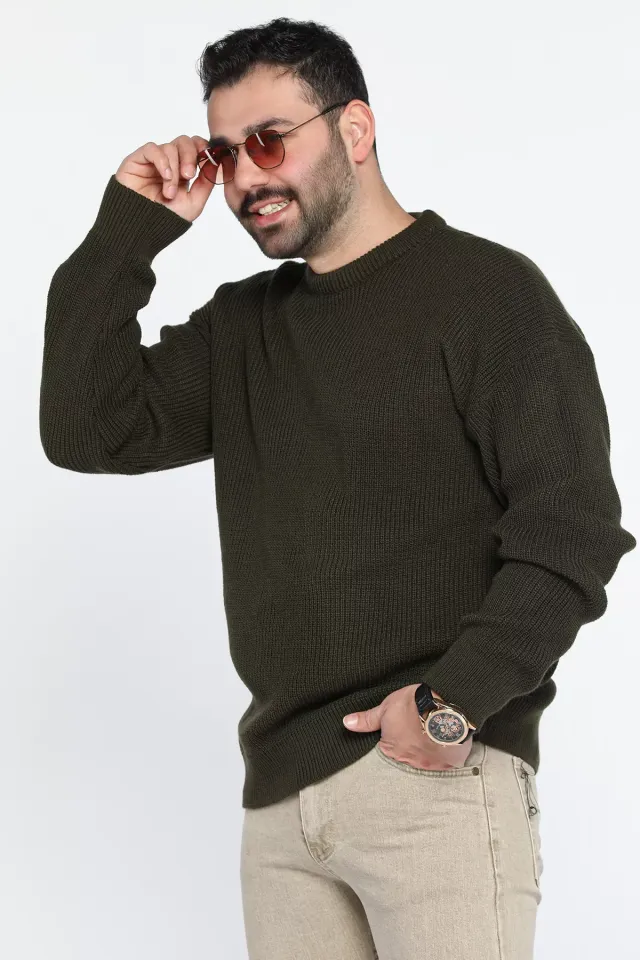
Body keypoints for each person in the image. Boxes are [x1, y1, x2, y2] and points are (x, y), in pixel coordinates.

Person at [39, 16, 636, 960]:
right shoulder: (243, 327)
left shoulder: (487, 295)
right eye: (225, 153)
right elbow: (85, 430)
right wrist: (130, 229)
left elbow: (572, 528)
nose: (246, 177)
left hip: (437, 785)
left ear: (355, 129)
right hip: (281, 807)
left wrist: (451, 705)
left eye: (269, 140)